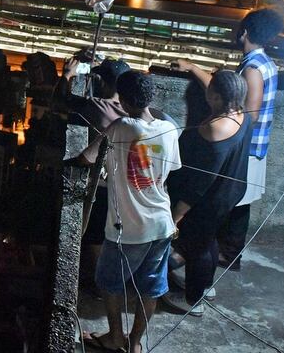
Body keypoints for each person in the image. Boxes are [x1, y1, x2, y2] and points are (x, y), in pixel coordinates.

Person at [78, 71, 181, 353]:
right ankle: (134, 343)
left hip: (129, 229)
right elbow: (168, 169)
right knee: (150, 288)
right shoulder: (170, 130)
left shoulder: (121, 126)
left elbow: (86, 158)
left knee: (108, 282)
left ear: (121, 100)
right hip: (162, 224)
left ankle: (114, 337)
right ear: (152, 96)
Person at [176, 8, 283, 269]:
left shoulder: (253, 67)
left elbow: (251, 111)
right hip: (254, 144)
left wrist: (192, 67)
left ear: (244, 32)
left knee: (232, 203)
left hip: (247, 146)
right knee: (237, 201)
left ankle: (226, 254)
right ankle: (226, 253)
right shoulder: (264, 61)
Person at [162, 70, 252, 316]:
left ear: (217, 97)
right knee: (208, 239)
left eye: (211, 90)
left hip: (207, 199)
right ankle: (205, 287)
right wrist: (191, 66)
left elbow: (201, 182)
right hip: (230, 192)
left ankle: (193, 300)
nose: (207, 93)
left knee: (197, 247)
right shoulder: (242, 115)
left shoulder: (215, 128)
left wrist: (177, 214)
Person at [63, 57, 131, 293]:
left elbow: (60, 102)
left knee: (93, 236)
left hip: (102, 183)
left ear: (103, 82)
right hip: (127, 184)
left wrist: (67, 75)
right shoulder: (134, 112)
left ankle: (99, 284)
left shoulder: (97, 107)